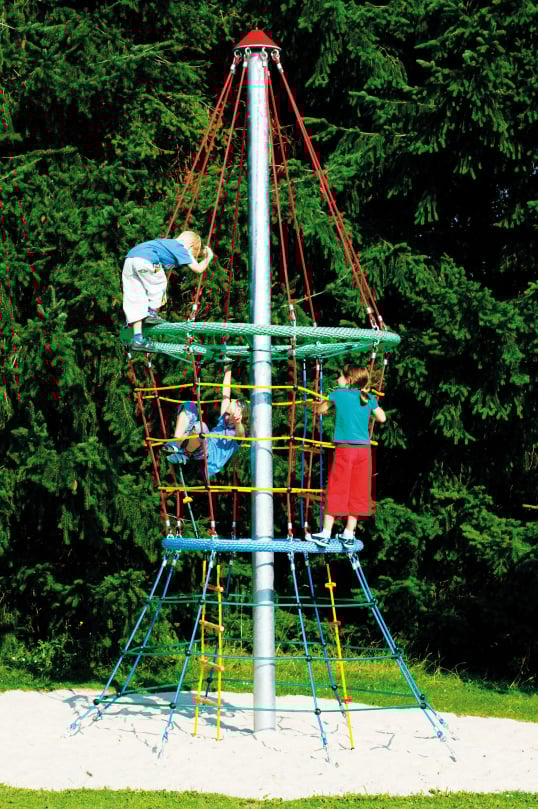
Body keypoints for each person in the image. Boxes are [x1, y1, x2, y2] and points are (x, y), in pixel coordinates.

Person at [311, 366, 386, 548]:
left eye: (341, 376)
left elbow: (319, 411)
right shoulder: (368, 398)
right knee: (358, 490)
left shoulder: (338, 394)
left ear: (349, 380)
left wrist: (326, 397)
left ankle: (326, 533)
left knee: (338, 488)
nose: (338, 379)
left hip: (345, 450)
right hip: (364, 451)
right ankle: (348, 533)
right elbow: (382, 418)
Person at [122, 230, 214, 351]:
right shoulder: (181, 247)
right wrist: (209, 257)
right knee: (159, 283)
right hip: (147, 259)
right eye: (192, 254)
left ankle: (138, 338)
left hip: (130, 260)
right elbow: (198, 268)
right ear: (190, 245)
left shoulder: (167, 244)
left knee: (135, 297)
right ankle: (151, 313)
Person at [164, 365, 247, 478]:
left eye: (230, 416)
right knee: (190, 405)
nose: (226, 417)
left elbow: (241, 434)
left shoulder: (237, 434)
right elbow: (226, 395)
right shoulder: (224, 420)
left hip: (207, 460)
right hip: (197, 441)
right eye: (227, 413)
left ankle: (185, 454)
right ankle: (176, 443)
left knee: (201, 427)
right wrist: (228, 368)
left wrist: (238, 423)